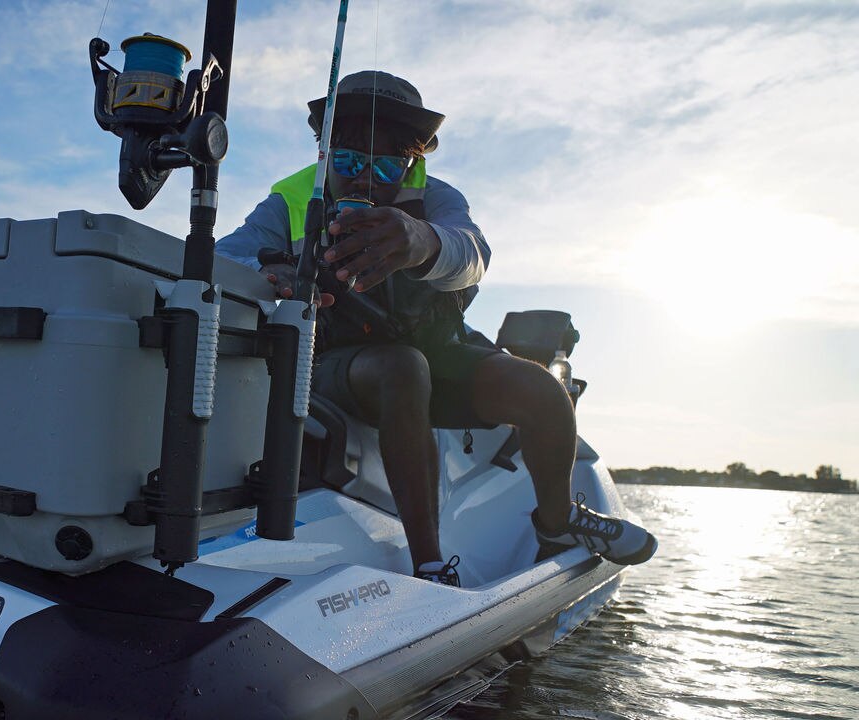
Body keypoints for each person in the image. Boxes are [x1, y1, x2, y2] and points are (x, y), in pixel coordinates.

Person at [216, 71, 657, 587]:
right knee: (404, 367)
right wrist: (272, 273)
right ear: (323, 151)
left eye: (386, 164)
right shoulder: (288, 202)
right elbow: (226, 255)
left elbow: (473, 254)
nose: (365, 178)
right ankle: (428, 561)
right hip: (341, 361)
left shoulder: (439, 200)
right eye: (348, 160)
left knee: (541, 387)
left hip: (440, 347)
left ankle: (558, 522)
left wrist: (421, 240)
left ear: (413, 161)